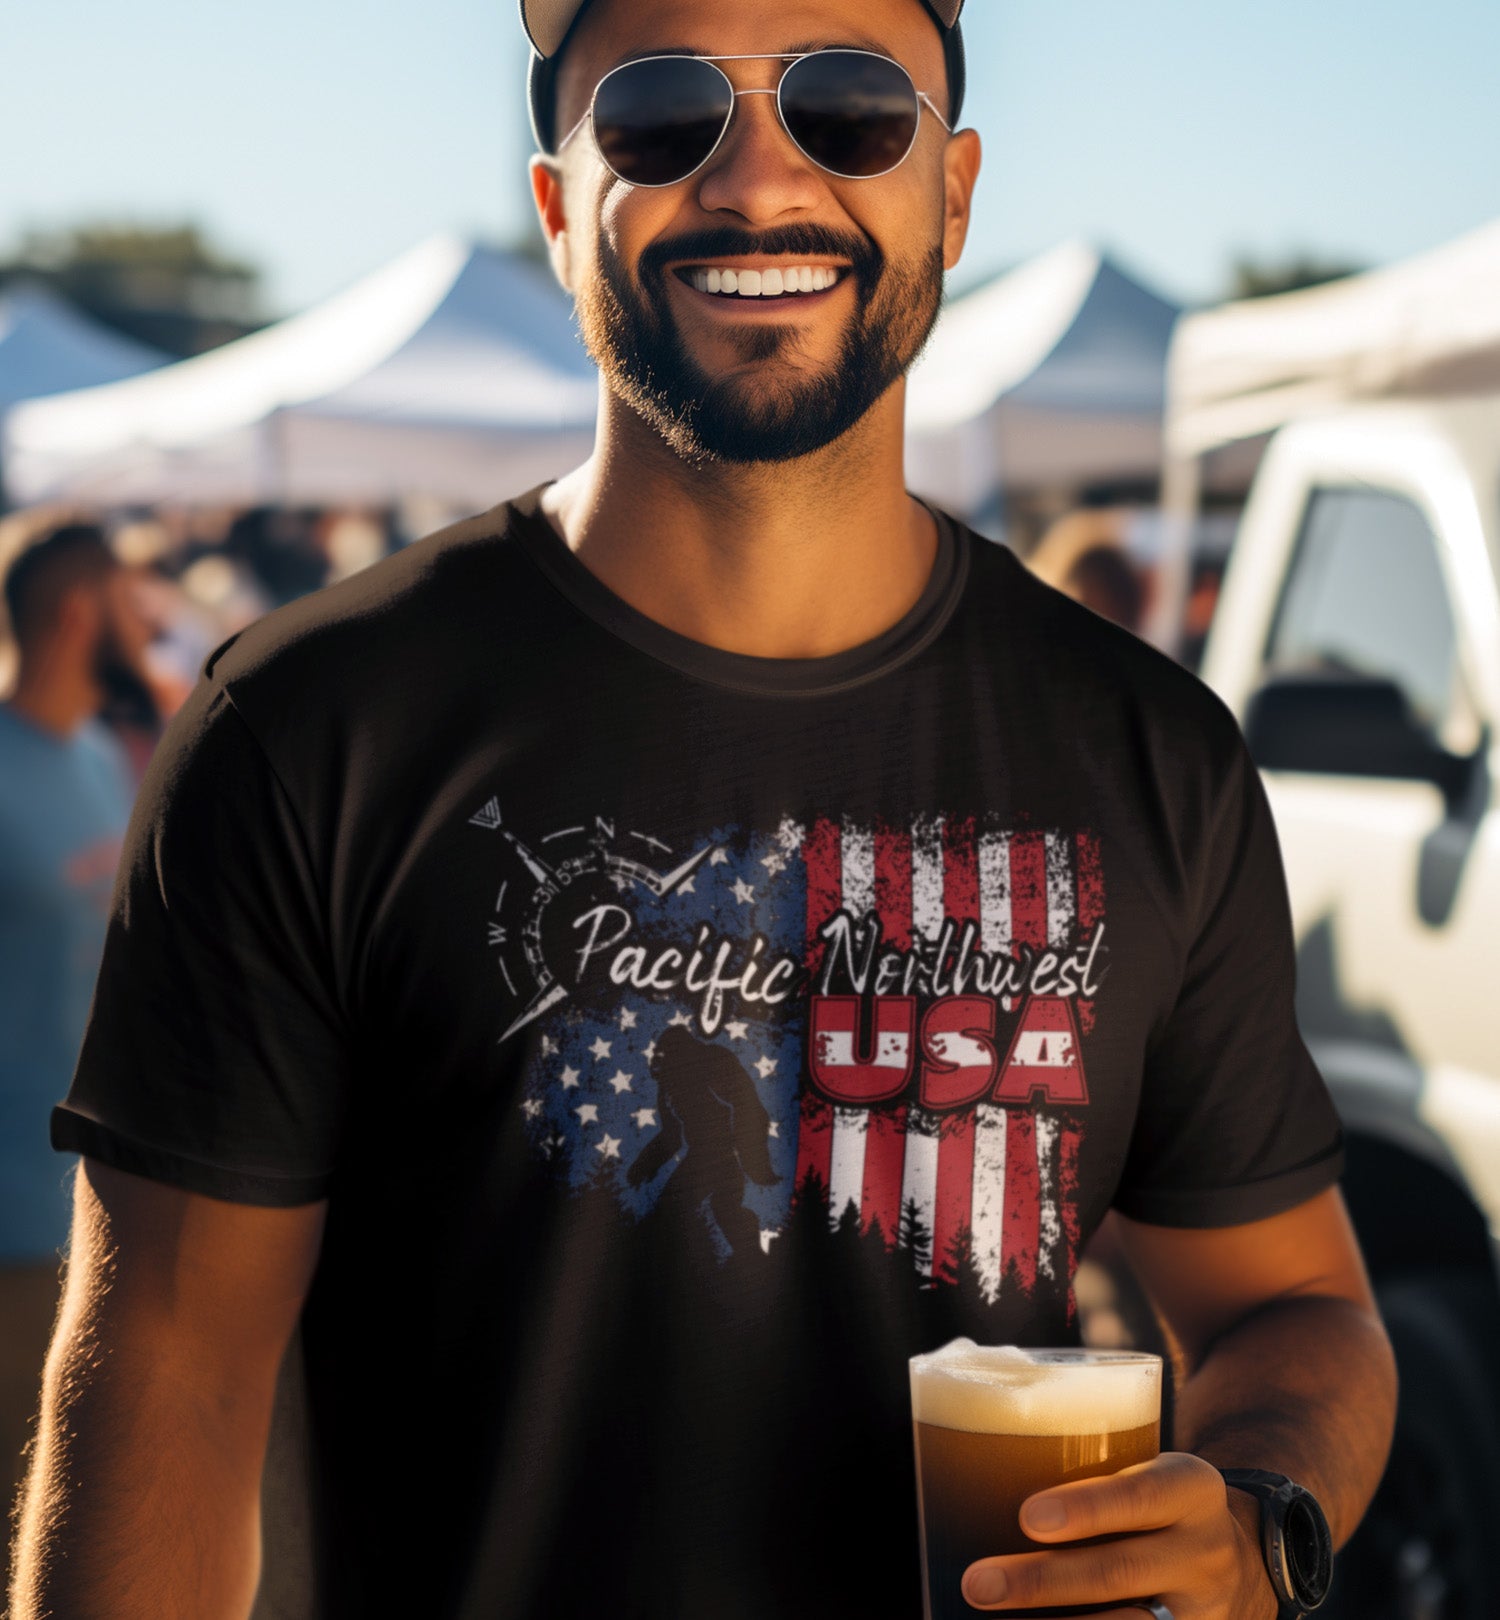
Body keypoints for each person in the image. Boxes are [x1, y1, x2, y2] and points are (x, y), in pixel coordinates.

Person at [10, 2, 1397, 1617]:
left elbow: (1296, 1307)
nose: (756, 179)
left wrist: (1255, 1511)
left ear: (950, 193)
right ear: (556, 209)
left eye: (851, 110)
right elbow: (165, 1382)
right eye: (664, 115)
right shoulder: (312, 726)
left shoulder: (1147, 749)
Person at [0, 519, 145, 1599]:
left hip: (96, 1209)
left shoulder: (101, 758)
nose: (148, 625)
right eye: (128, 600)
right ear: (78, 615)